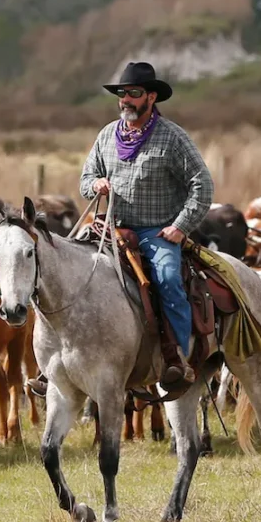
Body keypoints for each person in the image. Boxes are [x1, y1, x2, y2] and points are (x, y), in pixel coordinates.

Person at [27, 62, 214, 398]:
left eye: (134, 93)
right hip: (108, 229)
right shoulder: (106, 135)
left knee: (168, 277)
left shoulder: (172, 137)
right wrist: (95, 184)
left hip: (156, 232)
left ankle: (177, 357)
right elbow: (85, 179)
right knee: (63, 269)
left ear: (151, 97)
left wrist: (180, 227)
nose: (125, 99)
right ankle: (53, 362)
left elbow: (202, 185)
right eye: (122, 94)